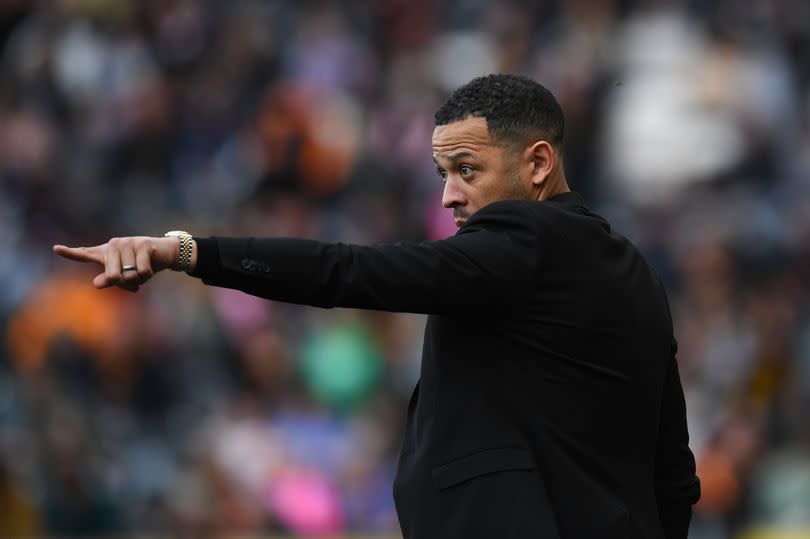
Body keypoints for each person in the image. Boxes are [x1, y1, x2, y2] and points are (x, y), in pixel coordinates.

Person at [54, 74, 700, 538]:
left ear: (537, 163)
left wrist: (188, 251)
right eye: (442, 173)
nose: (449, 196)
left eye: (467, 170)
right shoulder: (638, 275)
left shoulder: (527, 239)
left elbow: (351, 271)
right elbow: (673, 467)